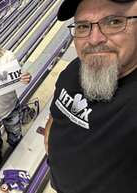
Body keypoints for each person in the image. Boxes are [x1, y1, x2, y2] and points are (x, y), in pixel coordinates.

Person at [44, 0, 137, 193]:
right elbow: (56, 114)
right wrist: (49, 142)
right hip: (59, 181)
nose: (94, 39)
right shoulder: (74, 69)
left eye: (114, 22)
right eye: (83, 26)